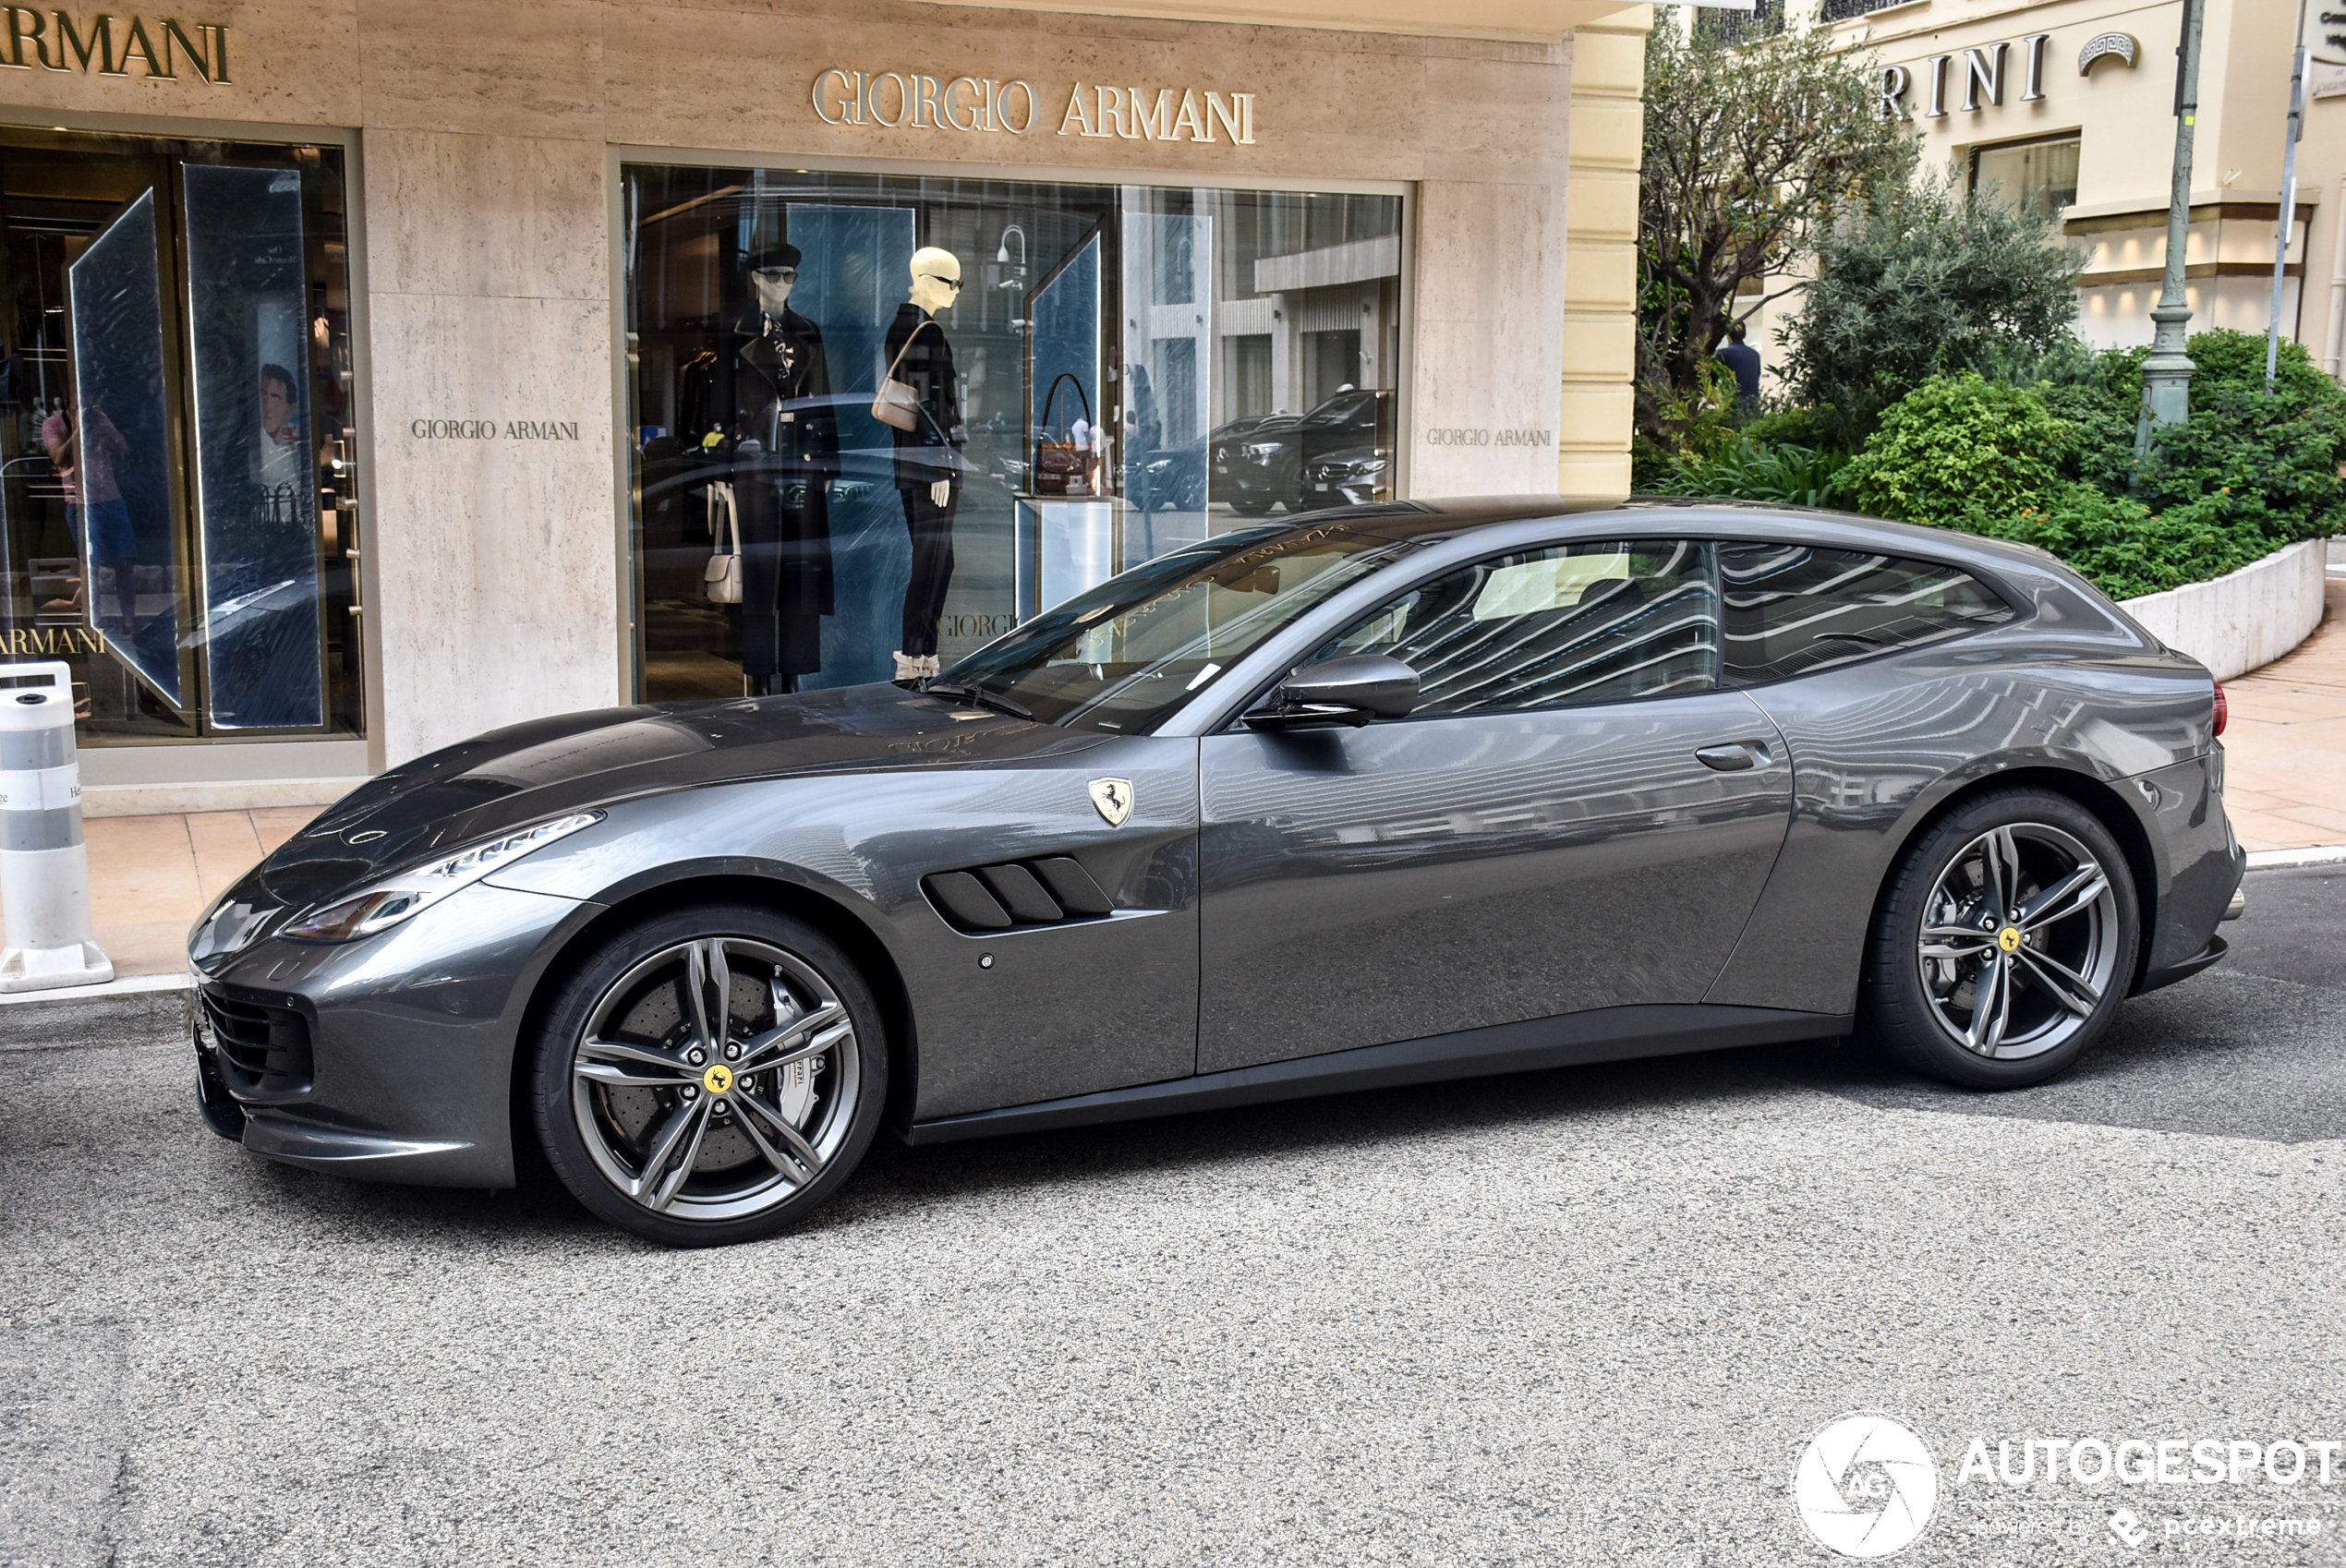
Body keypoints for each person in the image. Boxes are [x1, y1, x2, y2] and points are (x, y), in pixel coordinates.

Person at [41, 398, 136, 633]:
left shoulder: (98, 420)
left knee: (125, 562)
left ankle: (129, 622)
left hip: (111, 499)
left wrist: (101, 423)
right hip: (81, 503)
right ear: (67, 404)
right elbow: (58, 458)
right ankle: (94, 621)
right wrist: (78, 429)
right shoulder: (52, 425)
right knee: (89, 565)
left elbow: (122, 448)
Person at [1718, 320, 1762, 407]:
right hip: (1752, 405)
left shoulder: (1723, 354)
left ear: (1727, 335)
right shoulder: (1754, 354)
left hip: (1731, 405)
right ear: (1745, 334)